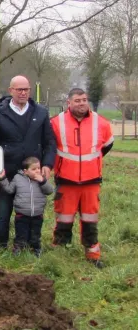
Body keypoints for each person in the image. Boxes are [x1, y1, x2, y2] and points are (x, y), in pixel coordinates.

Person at [0, 75, 56, 251]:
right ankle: (0, 247)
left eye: (26, 89)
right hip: (7, 173)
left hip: (33, 175)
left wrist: (47, 164)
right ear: (11, 91)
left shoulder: (41, 112)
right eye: (19, 89)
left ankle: (30, 246)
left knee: (32, 213)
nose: (23, 93)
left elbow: (50, 142)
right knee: (3, 214)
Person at [50, 88, 114, 268]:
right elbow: (49, 147)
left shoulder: (101, 123)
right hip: (66, 180)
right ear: (68, 102)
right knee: (63, 219)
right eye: (77, 100)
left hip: (91, 181)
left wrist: (91, 164)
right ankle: (59, 257)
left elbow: (107, 145)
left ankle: (93, 255)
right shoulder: (55, 122)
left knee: (90, 220)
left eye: (84, 99)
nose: (82, 103)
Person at [0, 156, 54, 256]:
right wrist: (2, 178)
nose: (37, 171)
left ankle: (35, 250)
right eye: (34, 169)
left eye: (38, 168)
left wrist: (43, 181)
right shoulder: (18, 178)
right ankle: (18, 249)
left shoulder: (41, 180)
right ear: (26, 171)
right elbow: (10, 190)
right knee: (21, 234)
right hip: (22, 214)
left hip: (37, 214)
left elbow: (50, 191)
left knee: (35, 235)